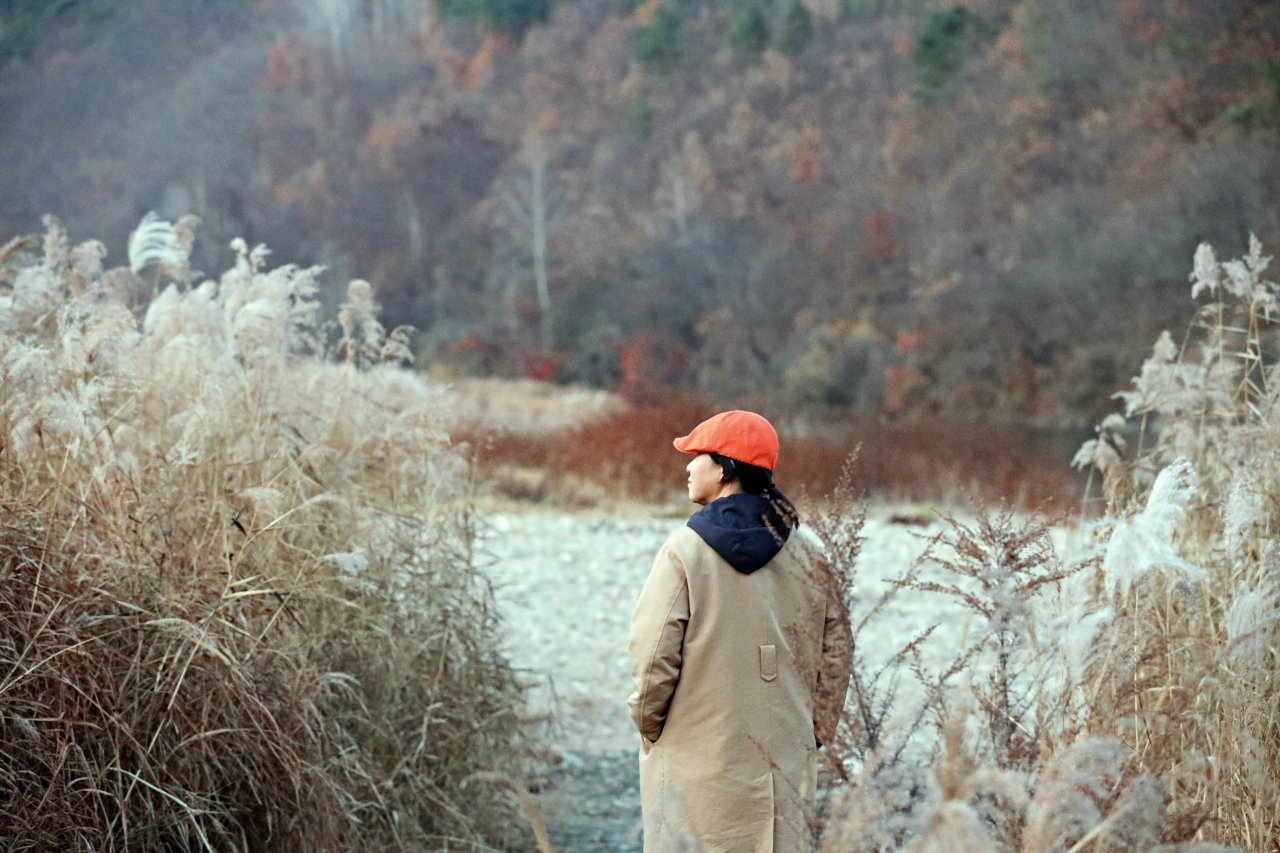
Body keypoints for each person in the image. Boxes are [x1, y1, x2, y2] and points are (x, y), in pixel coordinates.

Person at [628, 410, 853, 853]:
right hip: (785, 763)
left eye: (697, 456)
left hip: (697, 763)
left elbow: (653, 658)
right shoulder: (811, 551)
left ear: (724, 468)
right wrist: (814, 733)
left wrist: (651, 727)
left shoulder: (684, 551)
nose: (688, 466)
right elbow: (838, 653)